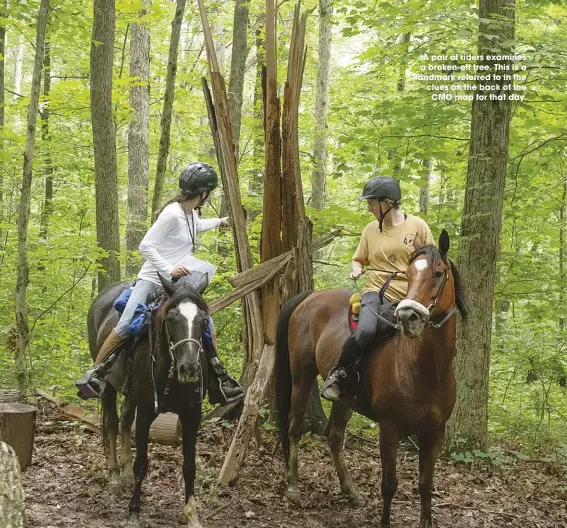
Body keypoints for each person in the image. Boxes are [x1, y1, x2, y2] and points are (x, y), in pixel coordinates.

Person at [76, 161, 244, 405]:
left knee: (207, 324)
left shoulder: (190, 213)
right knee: (125, 324)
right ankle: (96, 372)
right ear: (204, 193)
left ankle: (219, 378)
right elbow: (145, 245)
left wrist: (220, 222)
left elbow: (197, 226)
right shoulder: (172, 214)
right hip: (153, 277)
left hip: (178, 283)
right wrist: (168, 269)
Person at [320, 175, 434, 402]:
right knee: (367, 331)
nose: (369, 208)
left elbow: (429, 261)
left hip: (409, 295)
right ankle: (338, 376)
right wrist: (356, 268)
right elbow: (358, 259)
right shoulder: (370, 230)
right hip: (375, 291)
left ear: (388, 203)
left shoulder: (418, 226)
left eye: (372, 203)